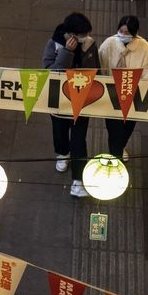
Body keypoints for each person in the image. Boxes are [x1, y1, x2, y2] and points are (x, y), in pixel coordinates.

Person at [42, 12, 99, 197]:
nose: (85, 38)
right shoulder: (54, 44)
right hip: (59, 101)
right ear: (72, 35)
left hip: (82, 101)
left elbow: (95, 68)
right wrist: (67, 53)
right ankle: (61, 154)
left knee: (79, 140)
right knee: (59, 132)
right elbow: (50, 71)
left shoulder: (89, 44)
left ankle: (78, 180)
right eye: (82, 35)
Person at [98, 15, 148, 159]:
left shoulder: (146, 49)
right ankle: (115, 155)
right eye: (121, 31)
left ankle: (120, 147)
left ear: (135, 33)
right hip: (112, 96)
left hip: (134, 97)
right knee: (114, 130)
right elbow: (100, 67)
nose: (123, 35)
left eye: (127, 33)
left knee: (128, 127)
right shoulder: (108, 44)